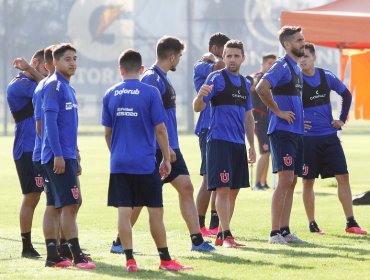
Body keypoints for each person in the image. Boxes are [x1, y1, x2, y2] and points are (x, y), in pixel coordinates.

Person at [111, 36, 214, 253]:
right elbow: (145, 114)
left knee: (186, 187)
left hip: (170, 146)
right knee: (141, 199)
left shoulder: (162, 78)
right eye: (179, 57)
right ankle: (120, 242)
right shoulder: (151, 79)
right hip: (157, 149)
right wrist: (165, 150)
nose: (179, 61)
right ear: (172, 56)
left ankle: (197, 240)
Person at [102, 49, 192, 272]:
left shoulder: (110, 94)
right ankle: (165, 260)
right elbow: (160, 129)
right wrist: (166, 159)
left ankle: (130, 259)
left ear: (120, 69)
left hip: (119, 162)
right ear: (141, 69)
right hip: (144, 162)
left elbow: (107, 133)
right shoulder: (150, 92)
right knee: (155, 211)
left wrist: (116, 154)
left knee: (124, 210)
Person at [298, 42, 367, 235]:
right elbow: (282, 103)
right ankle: (312, 224)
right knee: (308, 181)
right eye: (299, 57)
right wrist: (298, 123)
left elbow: (346, 94)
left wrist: (342, 119)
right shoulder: (295, 80)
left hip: (329, 137)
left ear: (314, 58)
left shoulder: (325, 76)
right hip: (308, 139)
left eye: (306, 56)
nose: (302, 59)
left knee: (343, 177)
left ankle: (351, 222)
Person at [193, 39, 256, 248]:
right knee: (222, 188)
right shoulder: (216, 78)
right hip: (219, 141)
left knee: (234, 190)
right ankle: (227, 235)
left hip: (238, 143)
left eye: (236, 56)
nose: (232, 59)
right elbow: (198, 107)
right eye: (228, 56)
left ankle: (221, 234)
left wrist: (252, 145)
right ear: (224, 57)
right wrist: (199, 97)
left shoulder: (246, 84)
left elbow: (248, 117)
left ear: (243, 58)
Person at [41, 43, 95, 268]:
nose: (72, 63)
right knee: (71, 204)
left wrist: (75, 154)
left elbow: (67, 126)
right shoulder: (54, 86)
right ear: (55, 62)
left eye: (75, 59)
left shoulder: (67, 87)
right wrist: (59, 155)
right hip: (58, 156)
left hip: (66, 154)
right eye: (67, 59)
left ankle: (53, 255)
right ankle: (76, 255)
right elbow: (49, 123)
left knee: (55, 205)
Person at [256, 26, 305, 244]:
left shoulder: (296, 68)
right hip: (282, 131)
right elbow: (261, 87)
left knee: (292, 180)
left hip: (296, 131)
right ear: (287, 45)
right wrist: (278, 111)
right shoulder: (281, 65)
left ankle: (285, 231)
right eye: (298, 40)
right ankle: (274, 233)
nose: (303, 43)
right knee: (285, 179)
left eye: (303, 39)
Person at [6, 49, 47, 259]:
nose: (47, 73)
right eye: (44, 68)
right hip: (27, 149)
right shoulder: (18, 84)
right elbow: (46, 89)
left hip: (44, 148)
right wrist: (30, 70)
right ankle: (26, 246)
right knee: (32, 196)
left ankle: (63, 243)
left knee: (61, 198)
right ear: (35, 62)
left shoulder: (37, 80)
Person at [193, 32, 230, 236]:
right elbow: (219, 66)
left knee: (221, 181)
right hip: (208, 126)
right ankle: (199, 225)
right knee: (209, 178)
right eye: (226, 52)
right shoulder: (201, 64)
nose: (229, 58)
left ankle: (216, 225)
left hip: (222, 127)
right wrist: (218, 59)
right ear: (216, 49)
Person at [250, 54, 277, 191]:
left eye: (274, 63)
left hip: (269, 120)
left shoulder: (271, 79)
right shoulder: (258, 76)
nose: (272, 66)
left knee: (269, 153)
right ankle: (256, 184)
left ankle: (263, 182)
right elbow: (253, 84)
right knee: (264, 152)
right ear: (263, 64)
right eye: (270, 63)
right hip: (259, 121)